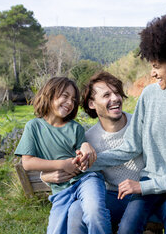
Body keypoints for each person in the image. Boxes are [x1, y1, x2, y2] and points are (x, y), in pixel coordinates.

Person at [86, 13, 166, 234]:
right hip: (153, 177)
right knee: (127, 228)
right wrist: (92, 161)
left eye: (156, 66)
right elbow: (131, 147)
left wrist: (142, 187)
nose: (152, 72)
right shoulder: (149, 95)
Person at [41, 72, 166, 233]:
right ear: (92, 104)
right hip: (114, 197)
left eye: (117, 93)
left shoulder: (140, 124)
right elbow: (71, 165)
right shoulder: (88, 140)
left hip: (148, 194)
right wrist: (45, 177)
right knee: (76, 210)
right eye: (106, 95)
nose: (115, 98)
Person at [14, 77, 111, 234]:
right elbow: (27, 163)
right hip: (60, 190)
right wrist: (62, 165)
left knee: (95, 213)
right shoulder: (33, 127)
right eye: (64, 96)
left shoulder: (75, 128)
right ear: (49, 94)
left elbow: (83, 155)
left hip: (86, 180)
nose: (69, 102)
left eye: (73, 99)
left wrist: (85, 151)